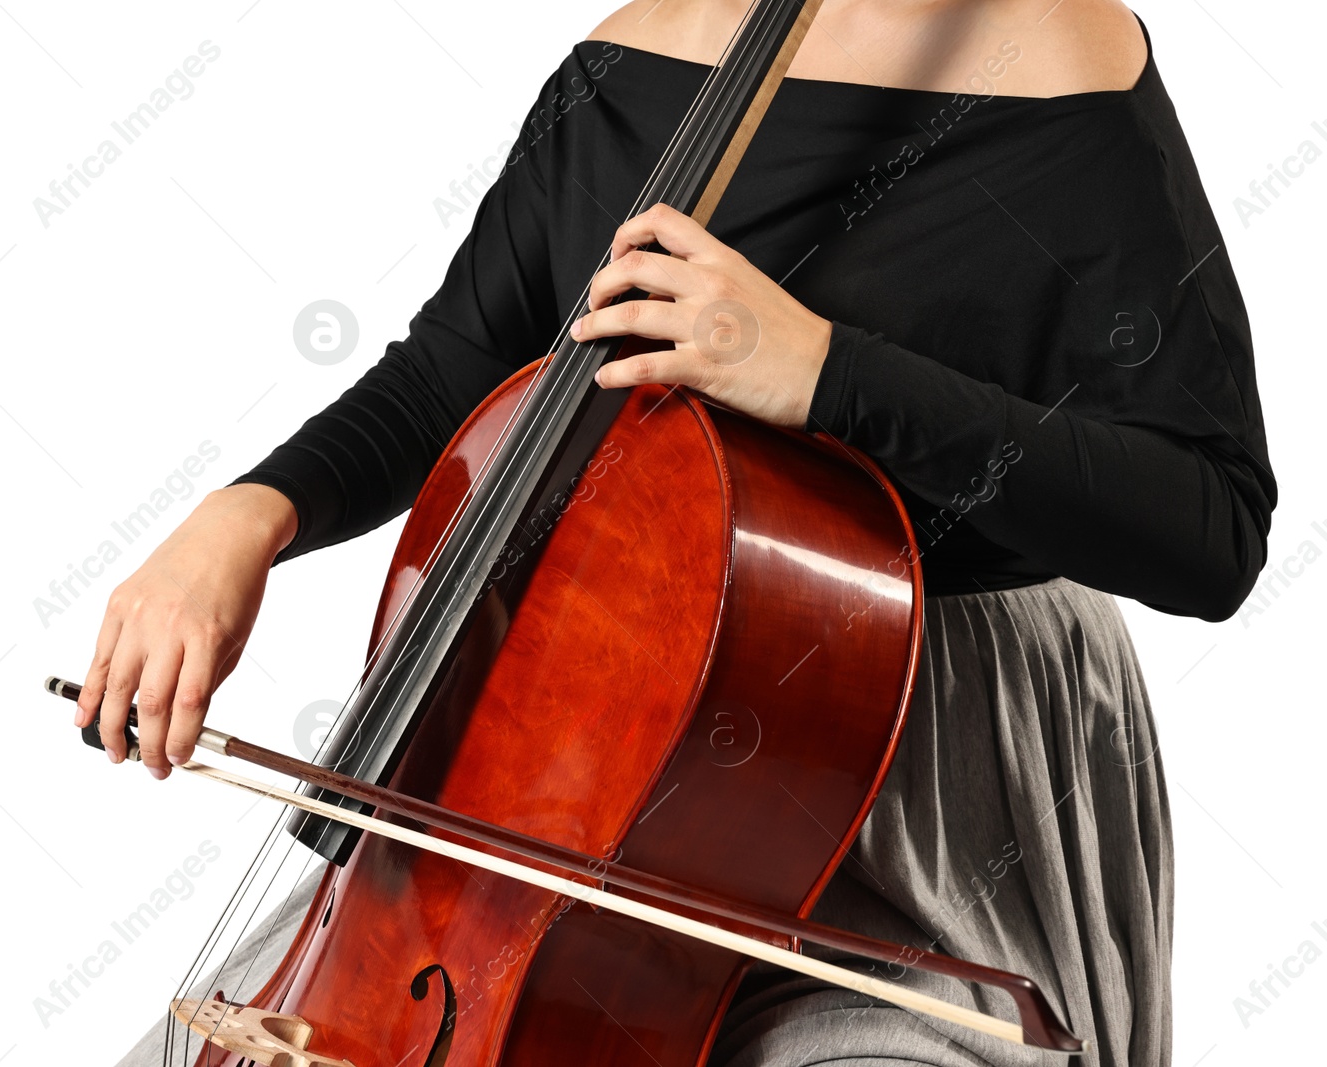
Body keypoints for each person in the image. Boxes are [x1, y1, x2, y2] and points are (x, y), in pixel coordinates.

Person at [81, 2, 1275, 1064]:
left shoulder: (1055, 59)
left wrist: (819, 370)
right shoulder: (627, 62)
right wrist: (245, 511)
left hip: (910, 780)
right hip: (567, 763)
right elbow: (454, 364)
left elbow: (1208, 524)